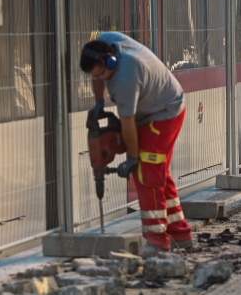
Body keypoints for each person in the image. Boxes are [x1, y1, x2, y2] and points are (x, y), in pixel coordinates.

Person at [80, 32, 192, 256]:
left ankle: (157, 241)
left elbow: (127, 122)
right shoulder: (106, 42)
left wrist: (132, 158)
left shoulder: (125, 78)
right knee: (158, 172)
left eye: (103, 74)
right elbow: (97, 76)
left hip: (165, 112)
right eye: (96, 76)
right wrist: (99, 102)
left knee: (145, 172)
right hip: (149, 109)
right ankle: (180, 233)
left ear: (110, 61)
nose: (101, 79)